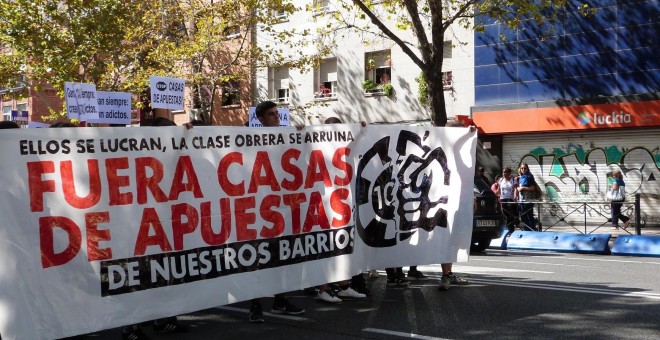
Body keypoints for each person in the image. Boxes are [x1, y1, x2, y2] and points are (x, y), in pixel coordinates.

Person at [248, 101, 305, 323]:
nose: (277, 118)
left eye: (278, 114)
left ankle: (280, 299)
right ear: (260, 119)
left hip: (280, 212)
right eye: (272, 115)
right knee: (258, 262)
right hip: (257, 213)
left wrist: (300, 135)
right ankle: (255, 306)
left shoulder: (286, 136)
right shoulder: (249, 138)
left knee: (281, 259)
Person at [515, 163, 538, 232]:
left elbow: (532, 188)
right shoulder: (521, 177)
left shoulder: (529, 177)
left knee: (529, 216)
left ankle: (532, 230)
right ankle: (526, 230)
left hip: (528, 199)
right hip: (522, 200)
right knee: (523, 217)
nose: (523, 170)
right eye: (522, 168)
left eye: (525, 168)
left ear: (527, 169)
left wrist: (522, 188)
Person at [496, 167, 518, 233]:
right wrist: (494, 194)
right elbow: (498, 190)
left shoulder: (513, 180)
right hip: (502, 199)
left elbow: (516, 189)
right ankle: (504, 229)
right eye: (503, 172)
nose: (504, 174)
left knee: (509, 214)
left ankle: (511, 229)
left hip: (510, 199)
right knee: (503, 214)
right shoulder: (501, 180)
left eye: (505, 172)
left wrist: (515, 196)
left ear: (509, 173)